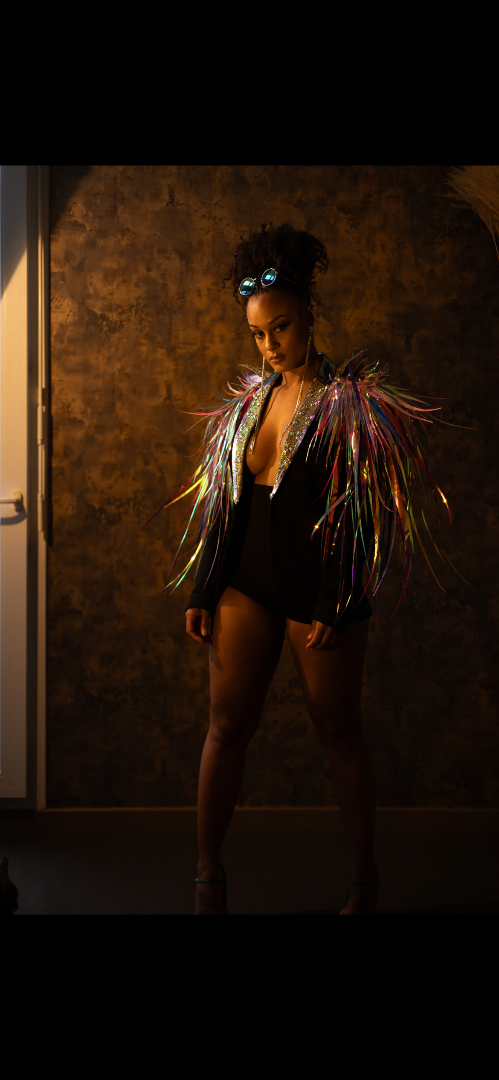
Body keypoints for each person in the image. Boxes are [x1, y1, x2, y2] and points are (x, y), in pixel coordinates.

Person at [160, 223, 449, 915]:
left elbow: (363, 518)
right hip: (245, 587)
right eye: (257, 334)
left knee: (339, 731)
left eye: (280, 328)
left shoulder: (352, 405)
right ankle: (207, 875)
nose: (268, 345)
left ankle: (364, 879)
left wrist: (337, 600)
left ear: (310, 313)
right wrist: (205, 587)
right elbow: (227, 509)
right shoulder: (245, 408)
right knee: (226, 727)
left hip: (318, 590)